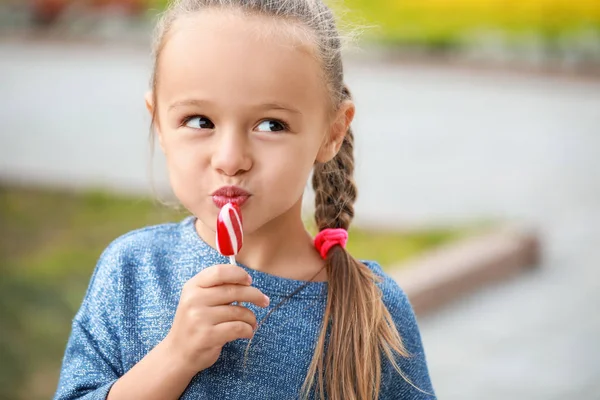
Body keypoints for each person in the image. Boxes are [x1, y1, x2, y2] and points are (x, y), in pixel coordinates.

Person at [54, 0, 436, 398]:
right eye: (200, 121)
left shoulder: (373, 308)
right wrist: (174, 357)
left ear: (332, 132)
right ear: (159, 123)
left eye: (271, 125)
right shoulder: (132, 271)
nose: (231, 159)